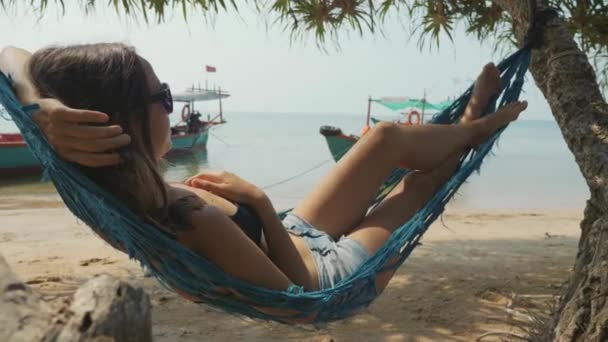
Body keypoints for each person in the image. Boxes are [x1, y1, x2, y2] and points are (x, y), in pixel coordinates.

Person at [0, 43, 527, 294]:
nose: (171, 103)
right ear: (123, 118)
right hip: (330, 270)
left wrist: (34, 104)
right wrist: (256, 202)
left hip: (297, 230)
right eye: (163, 96)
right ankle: (477, 124)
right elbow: (298, 297)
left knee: (386, 137)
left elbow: (7, 55)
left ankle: (468, 126)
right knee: (420, 187)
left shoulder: (102, 186)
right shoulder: (190, 217)